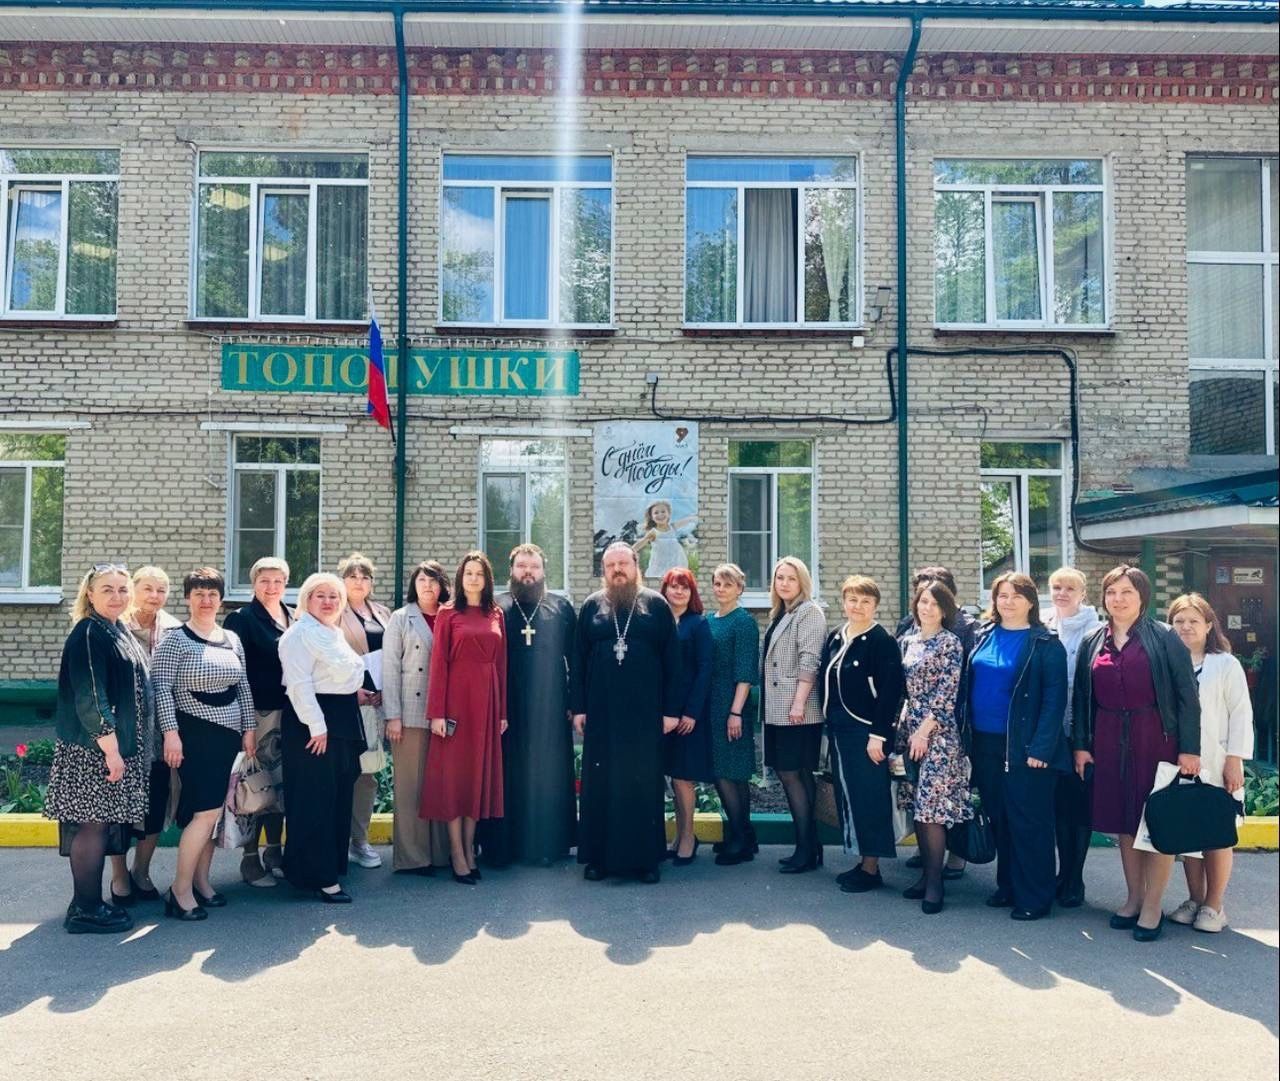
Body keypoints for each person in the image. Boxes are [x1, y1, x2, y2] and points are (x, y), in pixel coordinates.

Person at [1072, 565, 1201, 942]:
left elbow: (1187, 697)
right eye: (1112, 592)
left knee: (1156, 822)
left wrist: (1189, 749)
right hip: (1109, 739)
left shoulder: (1165, 637)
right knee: (1124, 823)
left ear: (1142, 596)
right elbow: (1081, 698)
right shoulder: (1093, 640)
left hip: (1155, 739)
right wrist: (1081, 744)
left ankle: (1153, 905)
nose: (1118, 599)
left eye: (1127, 591)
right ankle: (1133, 898)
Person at [44, 565, 153, 934]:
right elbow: (90, 696)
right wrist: (110, 748)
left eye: (123, 589)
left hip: (112, 747)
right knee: (92, 825)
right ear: (89, 594)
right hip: (95, 750)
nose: (117, 596)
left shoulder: (115, 629)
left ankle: (84, 901)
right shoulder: (90, 632)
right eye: (107, 589)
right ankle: (87, 910)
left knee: (99, 824)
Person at [570, 542, 682, 883]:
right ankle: (598, 859)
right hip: (602, 713)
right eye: (611, 565)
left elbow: (673, 662)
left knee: (643, 782)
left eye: (623, 563)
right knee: (600, 783)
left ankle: (646, 861)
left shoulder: (656, 605)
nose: (617, 570)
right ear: (604, 570)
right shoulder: (592, 605)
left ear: (636, 567)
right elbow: (577, 660)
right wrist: (578, 707)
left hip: (645, 714)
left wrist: (671, 711)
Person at [152, 568, 256, 921]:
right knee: (205, 812)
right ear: (187, 598)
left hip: (229, 737)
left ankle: (201, 882)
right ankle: (179, 891)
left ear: (221, 599)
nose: (206, 600)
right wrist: (170, 733)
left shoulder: (231, 638)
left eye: (212, 594)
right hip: (194, 735)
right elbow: (161, 688)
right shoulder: (175, 639)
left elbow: (242, 686)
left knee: (215, 815)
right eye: (198, 593)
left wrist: (249, 728)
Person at [966, 572, 1068, 922]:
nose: (1008, 602)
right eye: (1002, 595)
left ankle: (1035, 897)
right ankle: (1008, 885)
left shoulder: (1045, 643)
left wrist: (1041, 748)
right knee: (1001, 818)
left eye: (1016, 596)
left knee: (1030, 822)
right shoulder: (984, 635)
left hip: (1026, 747)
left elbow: (1054, 701)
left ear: (1030, 601)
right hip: (985, 743)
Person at [478, 543, 577, 868]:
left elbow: (576, 659)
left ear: (544, 570)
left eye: (534, 567)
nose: (528, 573)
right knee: (507, 772)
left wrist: (574, 702)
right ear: (511, 570)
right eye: (522, 566)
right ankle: (504, 845)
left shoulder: (561, 607)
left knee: (547, 773)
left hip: (551, 706)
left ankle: (547, 845)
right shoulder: (496, 606)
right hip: (507, 705)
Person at [1166, 592, 1253, 933]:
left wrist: (1235, 759)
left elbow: (1241, 714)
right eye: (1179, 621)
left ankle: (1214, 905)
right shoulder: (1167, 663)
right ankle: (1195, 898)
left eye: (1193, 621)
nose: (1186, 627)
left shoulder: (1225, 664)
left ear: (1208, 625)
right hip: (1177, 763)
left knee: (1216, 832)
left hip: (1217, 762)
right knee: (1188, 830)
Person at [278, 572, 367, 903]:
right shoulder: (298, 635)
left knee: (337, 797)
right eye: (321, 595)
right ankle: (319, 877)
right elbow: (299, 685)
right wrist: (317, 726)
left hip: (340, 720)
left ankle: (327, 865)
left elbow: (346, 675)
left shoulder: (332, 632)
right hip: (314, 724)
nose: (328, 602)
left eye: (334, 596)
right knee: (315, 800)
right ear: (307, 599)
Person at [421, 551, 507, 886]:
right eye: (468, 572)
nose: (473, 578)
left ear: (487, 580)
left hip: (487, 703)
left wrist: (502, 712)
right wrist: (437, 713)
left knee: (477, 778)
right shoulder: (448, 613)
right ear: (460, 578)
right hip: (456, 702)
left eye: (479, 574)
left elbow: (502, 665)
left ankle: (471, 850)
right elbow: (439, 664)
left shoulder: (496, 613)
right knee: (455, 780)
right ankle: (457, 853)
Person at [821, 575, 905, 895]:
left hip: (865, 731)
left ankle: (871, 868)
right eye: (852, 600)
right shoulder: (836, 636)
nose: (858, 606)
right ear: (843, 602)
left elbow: (890, 693)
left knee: (869, 797)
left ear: (876, 606)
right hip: (838, 728)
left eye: (865, 601)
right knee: (850, 796)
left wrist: (878, 735)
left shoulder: (882, 641)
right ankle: (861, 860)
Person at [895, 564, 976, 881]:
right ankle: (926, 874)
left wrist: (923, 732)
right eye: (922, 600)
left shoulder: (954, 638)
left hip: (940, 733)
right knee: (919, 803)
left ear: (946, 606)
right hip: (911, 730)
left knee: (935, 806)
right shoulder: (909, 638)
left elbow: (948, 693)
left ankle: (936, 881)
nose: (927, 607)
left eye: (934, 601)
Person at [109, 565, 181, 907]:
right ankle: (119, 876)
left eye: (161, 590)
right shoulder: (115, 627)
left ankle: (141, 870)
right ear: (134, 589)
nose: (155, 595)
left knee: (155, 803)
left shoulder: (174, 629)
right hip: (123, 732)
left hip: (161, 733)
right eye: (148, 588)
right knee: (119, 806)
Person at [223, 557, 293, 887]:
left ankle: (274, 852)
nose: (271, 587)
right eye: (265, 580)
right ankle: (250, 859)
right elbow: (236, 674)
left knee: (280, 786)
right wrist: (245, 724)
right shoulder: (242, 619)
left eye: (278, 581)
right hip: (257, 715)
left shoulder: (293, 615)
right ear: (253, 584)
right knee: (255, 784)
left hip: (289, 715)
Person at [381, 560, 452, 875]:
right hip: (410, 714)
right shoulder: (401, 618)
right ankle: (413, 857)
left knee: (441, 786)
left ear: (442, 586)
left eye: (434, 581)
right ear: (414, 584)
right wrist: (392, 716)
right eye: (422, 580)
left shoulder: (450, 614)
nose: (428, 586)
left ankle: (441, 853)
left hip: (446, 715)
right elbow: (389, 669)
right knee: (411, 786)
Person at [761, 556, 828, 874]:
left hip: (797, 710)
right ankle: (810, 846)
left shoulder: (809, 612)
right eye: (779, 578)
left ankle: (805, 848)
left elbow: (810, 659)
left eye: (791, 578)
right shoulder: (781, 613)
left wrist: (799, 703)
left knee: (793, 774)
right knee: (795, 774)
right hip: (779, 708)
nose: (784, 583)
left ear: (802, 582)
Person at [1042, 567, 1100, 908]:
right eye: (1056, 587)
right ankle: (1058, 875)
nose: (1062, 593)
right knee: (1054, 807)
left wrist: (1082, 741)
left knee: (1076, 809)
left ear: (1082, 594)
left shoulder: (1096, 630)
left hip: (1080, 735)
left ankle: (1074, 877)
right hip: (1048, 734)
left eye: (1069, 588)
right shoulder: (1043, 624)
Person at [338, 552, 392, 871]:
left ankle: (359, 840)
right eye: (352, 576)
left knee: (368, 774)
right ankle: (338, 839)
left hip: (376, 703)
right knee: (345, 772)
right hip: (347, 702)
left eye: (365, 576)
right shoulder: (334, 610)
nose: (359, 582)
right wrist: (351, 691)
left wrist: (386, 690)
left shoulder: (382, 612)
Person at [706, 563, 760, 866]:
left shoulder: (743, 622)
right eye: (717, 583)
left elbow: (745, 672)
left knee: (731, 772)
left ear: (740, 588)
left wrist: (735, 712)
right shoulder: (709, 619)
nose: (721, 589)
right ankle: (744, 834)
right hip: (711, 705)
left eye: (728, 584)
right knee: (723, 770)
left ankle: (740, 840)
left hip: (731, 705)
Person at [661, 567, 714, 865]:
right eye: (674, 586)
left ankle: (688, 837)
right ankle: (678, 836)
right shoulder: (659, 621)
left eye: (685, 587)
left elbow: (705, 670)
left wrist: (691, 712)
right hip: (663, 713)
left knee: (683, 777)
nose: (679, 592)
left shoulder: (698, 624)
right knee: (672, 775)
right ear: (665, 590)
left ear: (691, 593)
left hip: (689, 715)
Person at [632, 500, 697, 579]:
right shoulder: (654, 532)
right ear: (652, 517)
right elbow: (642, 542)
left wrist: (692, 518)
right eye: (656, 513)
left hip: (675, 558)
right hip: (661, 561)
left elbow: (685, 521)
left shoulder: (672, 527)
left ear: (669, 514)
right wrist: (630, 550)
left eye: (663, 511)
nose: (660, 514)